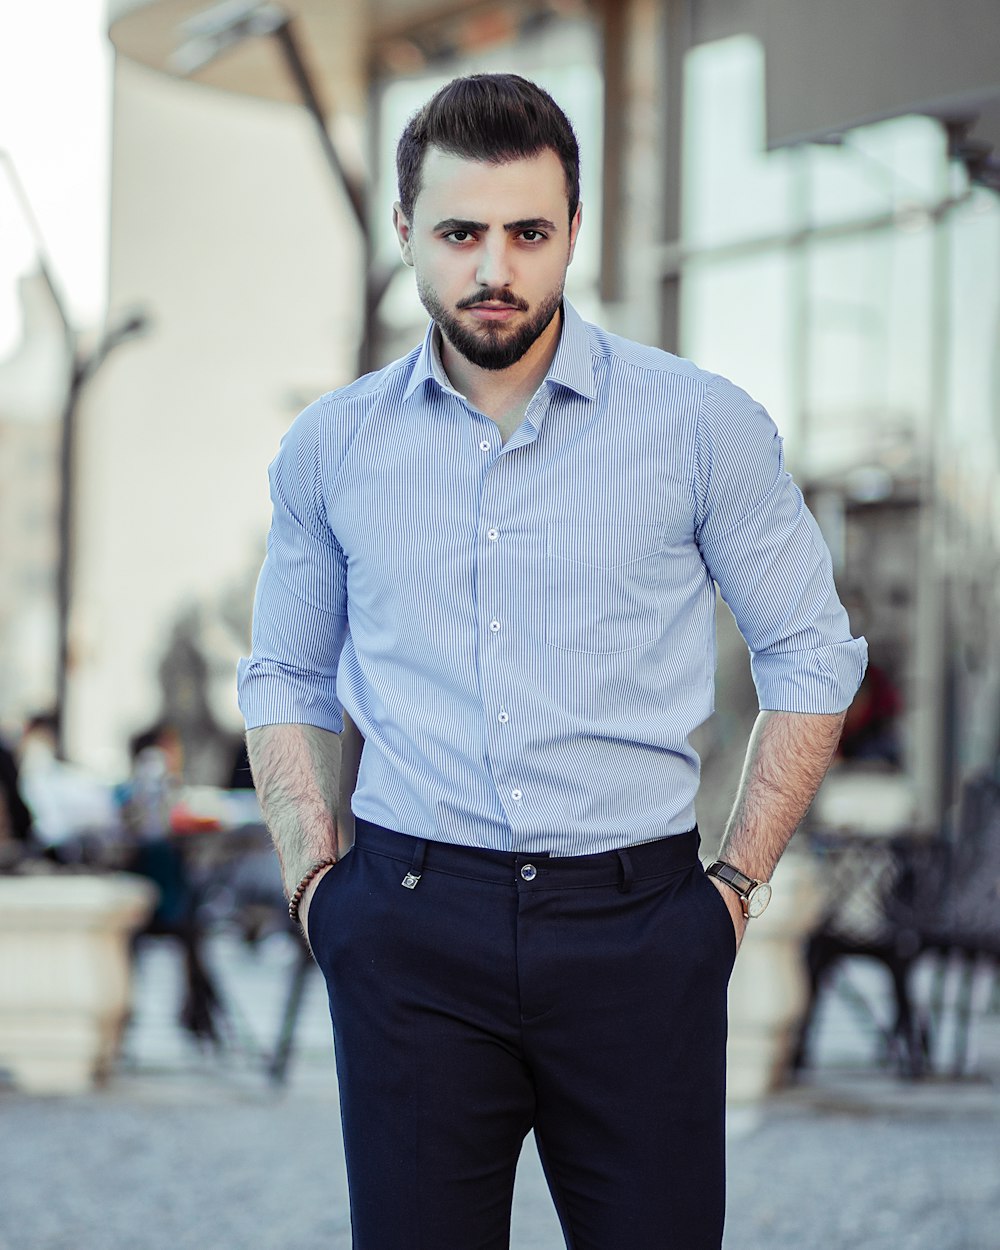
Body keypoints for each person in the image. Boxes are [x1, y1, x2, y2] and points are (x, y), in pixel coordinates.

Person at [237, 73, 867, 1249]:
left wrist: (730, 891)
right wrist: (317, 884)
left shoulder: (697, 426)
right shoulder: (333, 448)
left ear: (574, 231)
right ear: (406, 234)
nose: (494, 268)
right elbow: (285, 673)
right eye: (460, 232)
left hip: (638, 929)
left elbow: (810, 653)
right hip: (410, 927)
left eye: (528, 232)